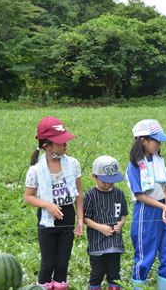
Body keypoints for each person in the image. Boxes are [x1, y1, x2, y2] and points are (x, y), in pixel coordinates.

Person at [125, 119, 166, 290]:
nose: (160, 144)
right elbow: (140, 195)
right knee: (145, 256)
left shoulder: (159, 160)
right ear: (143, 141)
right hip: (146, 211)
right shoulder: (134, 166)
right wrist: (162, 207)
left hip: (164, 209)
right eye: (156, 140)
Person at [24, 116, 84, 290]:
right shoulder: (35, 170)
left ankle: (60, 286)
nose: (65, 146)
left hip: (68, 216)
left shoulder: (73, 164)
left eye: (66, 142)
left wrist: (80, 219)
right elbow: (28, 196)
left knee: (63, 263)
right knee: (48, 263)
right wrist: (47, 205)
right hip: (47, 220)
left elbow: (79, 193)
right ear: (46, 146)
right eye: (60, 143)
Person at [84, 155, 129, 290]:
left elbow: (124, 214)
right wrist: (100, 227)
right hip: (97, 244)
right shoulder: (90, 195)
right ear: (94, 177)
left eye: (112, 181)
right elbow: (85, 218)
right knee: (97, 273)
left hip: (115, 243)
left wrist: (121, 223)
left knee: (114, 273)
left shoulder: (119, 194)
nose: (108, 184)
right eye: (104, 181)